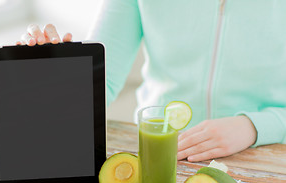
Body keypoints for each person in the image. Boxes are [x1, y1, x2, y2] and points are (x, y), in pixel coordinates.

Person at [16, 0, 286, 162]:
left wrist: (254, 127)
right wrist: (51, 74)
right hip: (161, 155)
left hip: (266, 158)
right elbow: (100, 80)